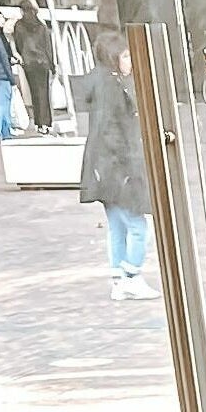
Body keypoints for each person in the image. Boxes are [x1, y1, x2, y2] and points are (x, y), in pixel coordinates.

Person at [79, 30, 158, 300]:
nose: (129, 61)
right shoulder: (111, 86)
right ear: (114, 58)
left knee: (117, 226)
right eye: (125, 55)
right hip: (116, 168)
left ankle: (118, 280)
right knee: (137, 226)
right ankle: (131, 276)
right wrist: (126, 164)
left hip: (104, 169)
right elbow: (111, 129)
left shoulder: (104, 83)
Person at [13, 0, 53, 135]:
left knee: (34, 93)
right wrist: (52, 65)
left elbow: (18, 44)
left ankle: (38, 122)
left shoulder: (19, 25)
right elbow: (48, 47)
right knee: (44, 93)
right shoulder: (41, 26)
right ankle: (46, 123)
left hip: (29, 63)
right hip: (43, 62)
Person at [0, 13, 14, 141]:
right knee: (2, 104)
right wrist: (11, 78)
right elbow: (3, 58)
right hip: (1, 76)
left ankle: (3, 131)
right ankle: (0, 131)